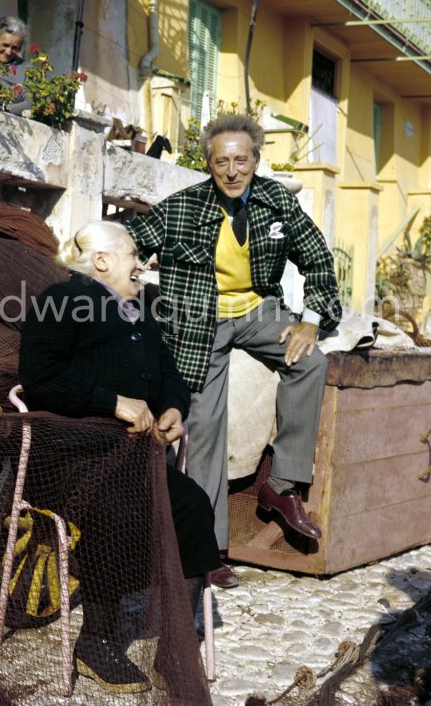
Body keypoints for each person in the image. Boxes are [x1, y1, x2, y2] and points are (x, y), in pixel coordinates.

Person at [126, 113, 342, 589]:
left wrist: (311, 320)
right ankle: (208, 549)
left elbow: (319, 260)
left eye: (241, 160)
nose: (231, 171)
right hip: (200, 321)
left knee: (311, 361)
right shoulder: (181, 207)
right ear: (208, 163)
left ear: (256, 161)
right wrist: (123, 275)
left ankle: (282, 485)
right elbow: (127, 243)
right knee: (203, 424)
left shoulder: (276, 202)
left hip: (258, 311)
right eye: (221, 161)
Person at [19, 221, 220, 694]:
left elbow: (169, 375)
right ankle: (97, 640)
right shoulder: (60, 301)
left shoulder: (139, 313)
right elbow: (40, 376)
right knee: (122, 509)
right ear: (103, 261)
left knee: (192, 504)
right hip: (72, 460)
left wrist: (173, 407)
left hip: (131, 459)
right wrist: (113, 402)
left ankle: (175, 641)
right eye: (133, 253)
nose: (141, 263)